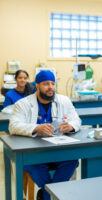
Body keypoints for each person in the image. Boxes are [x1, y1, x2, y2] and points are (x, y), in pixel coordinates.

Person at [9, 70, 81, 200]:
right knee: (32, 164)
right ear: (37, 85)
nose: (50, 88)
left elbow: (76, 120)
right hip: (35, 152)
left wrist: (71, 126)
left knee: (72, 160)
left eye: (53, 84)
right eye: (46, 84)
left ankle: (46, 195)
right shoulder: (23, 104)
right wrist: (36, 128)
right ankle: (52, 195)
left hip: (59, 150)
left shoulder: (64, 101)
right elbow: (13, 126)